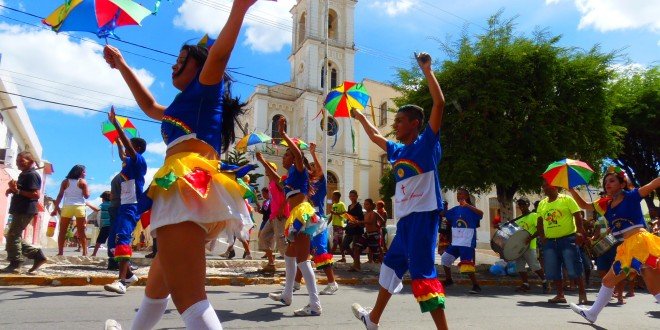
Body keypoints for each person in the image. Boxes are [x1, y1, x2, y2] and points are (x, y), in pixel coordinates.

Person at [102, 1, 258, 328]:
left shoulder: (206, 85)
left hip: (187, 183)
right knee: (157, 289)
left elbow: (218, 55)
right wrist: (122, 65)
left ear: (197, 66)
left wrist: (240, 8)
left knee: (190, 299)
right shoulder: (179, 105)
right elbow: (149, 105)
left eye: (180, 61)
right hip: (192, 185)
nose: (173, 67)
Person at [351, 52, 447, 329]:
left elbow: (439, 103)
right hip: (404, 221)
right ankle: (373, 319)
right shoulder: (397, 151)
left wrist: (427, 70)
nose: (395, 125)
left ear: (415, 124)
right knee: (391, 268)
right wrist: (359, 116)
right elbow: (374, 135)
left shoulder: (426, 145)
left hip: (423, 218)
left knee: (422, 275)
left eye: (400, 121)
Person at [568, 169, 660, 324]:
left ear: (622, 184)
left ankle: (592, 313)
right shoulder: (605, 205)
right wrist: (571, 190)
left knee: (654, 286)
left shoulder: (632, 196)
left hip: (642, 245)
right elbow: (584, 204)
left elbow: (654, 183)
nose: (607, 184)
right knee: (608, 281)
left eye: (612, 181)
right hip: (627, 250)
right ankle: (592, 314)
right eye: (606, 182)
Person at [265, 117, 324, 316]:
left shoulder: (299, 169)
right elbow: (278, 183)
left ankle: (315, 305)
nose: (284, 157)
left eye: (286, 154)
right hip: (296, 216)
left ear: (294, 157)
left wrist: (283, 134)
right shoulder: (290, 175)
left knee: (302, 260)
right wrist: (263, 162)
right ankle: (287, 295)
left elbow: (299, 153)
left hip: (302, 214)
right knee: (290, 258)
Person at [104, 108, 147, 295]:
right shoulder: (128, 161)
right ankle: (129, 274)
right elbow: (123, 154)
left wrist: (116, 125)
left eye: (129, 144)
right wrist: (118, 142)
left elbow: (127, 149)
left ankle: (122, 282)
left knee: (122, 237)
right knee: (112, 244)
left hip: (132, 205)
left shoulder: (139, 160)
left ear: (136, 149)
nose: (126, 146)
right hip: (123, 204)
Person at [292, 142, 339, 295]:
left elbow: (319, 170)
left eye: (312, 169)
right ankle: (296, 283)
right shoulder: (306, 186)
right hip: (307, 221)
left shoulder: (320, 184)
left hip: (318, 222)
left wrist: (312, 153)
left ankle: (332, 283)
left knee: (320, 252)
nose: (311, 170)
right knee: (304, 253)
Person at [536, 181, 588, 305]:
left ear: (554, 186)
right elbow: (539, 221)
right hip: (549, 242)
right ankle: (560, 295)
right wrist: (542, 237)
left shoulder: (567, 199)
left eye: (546, 185)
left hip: (567, 239)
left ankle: (582, 294)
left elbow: (578, 216)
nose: (544, 188)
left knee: (574, 266)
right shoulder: (542, 204)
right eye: (543, 186)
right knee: (553, 269)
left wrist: (580, 233)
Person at [1, 151, 47, 274]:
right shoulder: (24, 174)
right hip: (20, 208)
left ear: (31, 162)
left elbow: (36, 195)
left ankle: (15, 264)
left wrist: (17, 191)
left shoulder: (31, 175)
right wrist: (12, 190)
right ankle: (37, 256)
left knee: (13, 235)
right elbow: (21, 190)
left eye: (22, 161)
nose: (18, 164)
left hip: (25, 209)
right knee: (13, 235)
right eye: (17, 161)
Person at [440, 188, 483, 294]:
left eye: (461, 194)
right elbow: (443, 214)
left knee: (466, 265)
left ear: (466, 196)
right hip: (456, 242)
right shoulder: (455, 209)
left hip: (467, 242)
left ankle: (476, 285)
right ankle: (449, 280)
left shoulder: (471, 209)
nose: (459, 196)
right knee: (445, 259)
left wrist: (467, 205)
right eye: (457, 194)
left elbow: (481, 214)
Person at [256, 158, 289, 272]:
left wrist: (281, 208)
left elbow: (287, 195)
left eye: (268, 168)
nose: (266, 170)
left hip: (281, 215)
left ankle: (292, 267)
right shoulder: (270, 184)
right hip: (273, 216)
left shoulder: (278, 181)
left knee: (281, 242)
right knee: (263, 237)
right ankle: (271, 262)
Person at [51, 164, 90, 256]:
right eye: (84, 172)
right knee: (81, 231)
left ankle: (60, 252)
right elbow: (86, 196)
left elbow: (60, 195)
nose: (85, 174)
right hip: (79, 207)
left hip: (67, 206)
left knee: (63, 231)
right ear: (79, 172)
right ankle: (84, 252)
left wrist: (56, 208)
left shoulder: (65, 182)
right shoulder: (83, 182)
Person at [512, 197, 548, 293]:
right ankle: (525, 284)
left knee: (534, 266)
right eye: (520, 205)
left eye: (523, 204)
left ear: (528, 205)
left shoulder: (534, 216)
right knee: (520, 266)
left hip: (530, 246)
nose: (521, 207)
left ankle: (545, 281)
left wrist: (531, 238)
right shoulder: (518, 219)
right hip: (520, 246)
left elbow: (540, 229)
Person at [354, 198, 383, 267]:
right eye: (364, 204)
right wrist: (357, 223)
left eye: (367, 204)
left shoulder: (374, 213)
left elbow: (373, 221)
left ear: (371, 205)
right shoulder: (366, 214)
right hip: (367, 234)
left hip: (374, 235)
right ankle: (356, 266)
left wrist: (379, 226)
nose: (365, 205)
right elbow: (365, 224)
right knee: (357, 248)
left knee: (377, 255)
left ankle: (385, 268)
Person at [344, 190, 365, 272]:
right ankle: (356, 262)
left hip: (357, 229)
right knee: (345, 244)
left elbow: (360, 217)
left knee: (355, 248)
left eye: (353, 196)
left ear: (356, 196)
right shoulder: (349, 206)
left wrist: (353, 218)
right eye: (350, 196)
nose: (352, 197)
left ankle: (356, 265)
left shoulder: (358, 206)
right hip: (350, 229)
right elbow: (349, 217)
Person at [91, 191, 112, 257]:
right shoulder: (112, 204)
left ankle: (94, 253)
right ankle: (112, 254)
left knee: (99, 240)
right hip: (113, 225)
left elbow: (97, 209)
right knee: (111, 240)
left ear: (103, 198)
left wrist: (88, 204)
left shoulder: (103, 204)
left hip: (105, 225)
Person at [329, 191, 347, 261]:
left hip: (339, 225)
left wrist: (335, 213)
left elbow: (344, 213)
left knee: (335, 242)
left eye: (333, 196)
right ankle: (343, 257)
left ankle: (329, 258)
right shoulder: (333, 205)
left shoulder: (341, 204)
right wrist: (327, 223)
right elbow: (331, 215)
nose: (332, 197)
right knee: (340, 242)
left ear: (337, 196)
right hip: (335, 225)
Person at [256, 187, 271, 260]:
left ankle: (268, 253)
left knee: (265, 236)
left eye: (264, 193)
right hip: (264, 220)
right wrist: (259, 209)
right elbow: (263, 212)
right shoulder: (265, 202)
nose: (263, 195)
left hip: (268, 220)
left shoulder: (271, 201)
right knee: (260, 236)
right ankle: (267, 252)